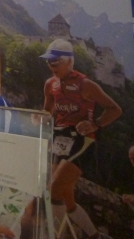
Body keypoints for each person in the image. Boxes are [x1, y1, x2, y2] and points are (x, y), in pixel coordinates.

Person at [40, 39, 121, 239]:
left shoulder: (86, 85)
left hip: (82, 141)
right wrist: (39, 118)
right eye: (49, 62)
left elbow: (115, 109)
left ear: (69, 61)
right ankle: (95, 235)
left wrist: (96, 124)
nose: (52, 66)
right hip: (59, 139)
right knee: (67, 198)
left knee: (54, 189)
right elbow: (47, 111)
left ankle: (56, 236)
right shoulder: (50, 84)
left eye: (56, 62)